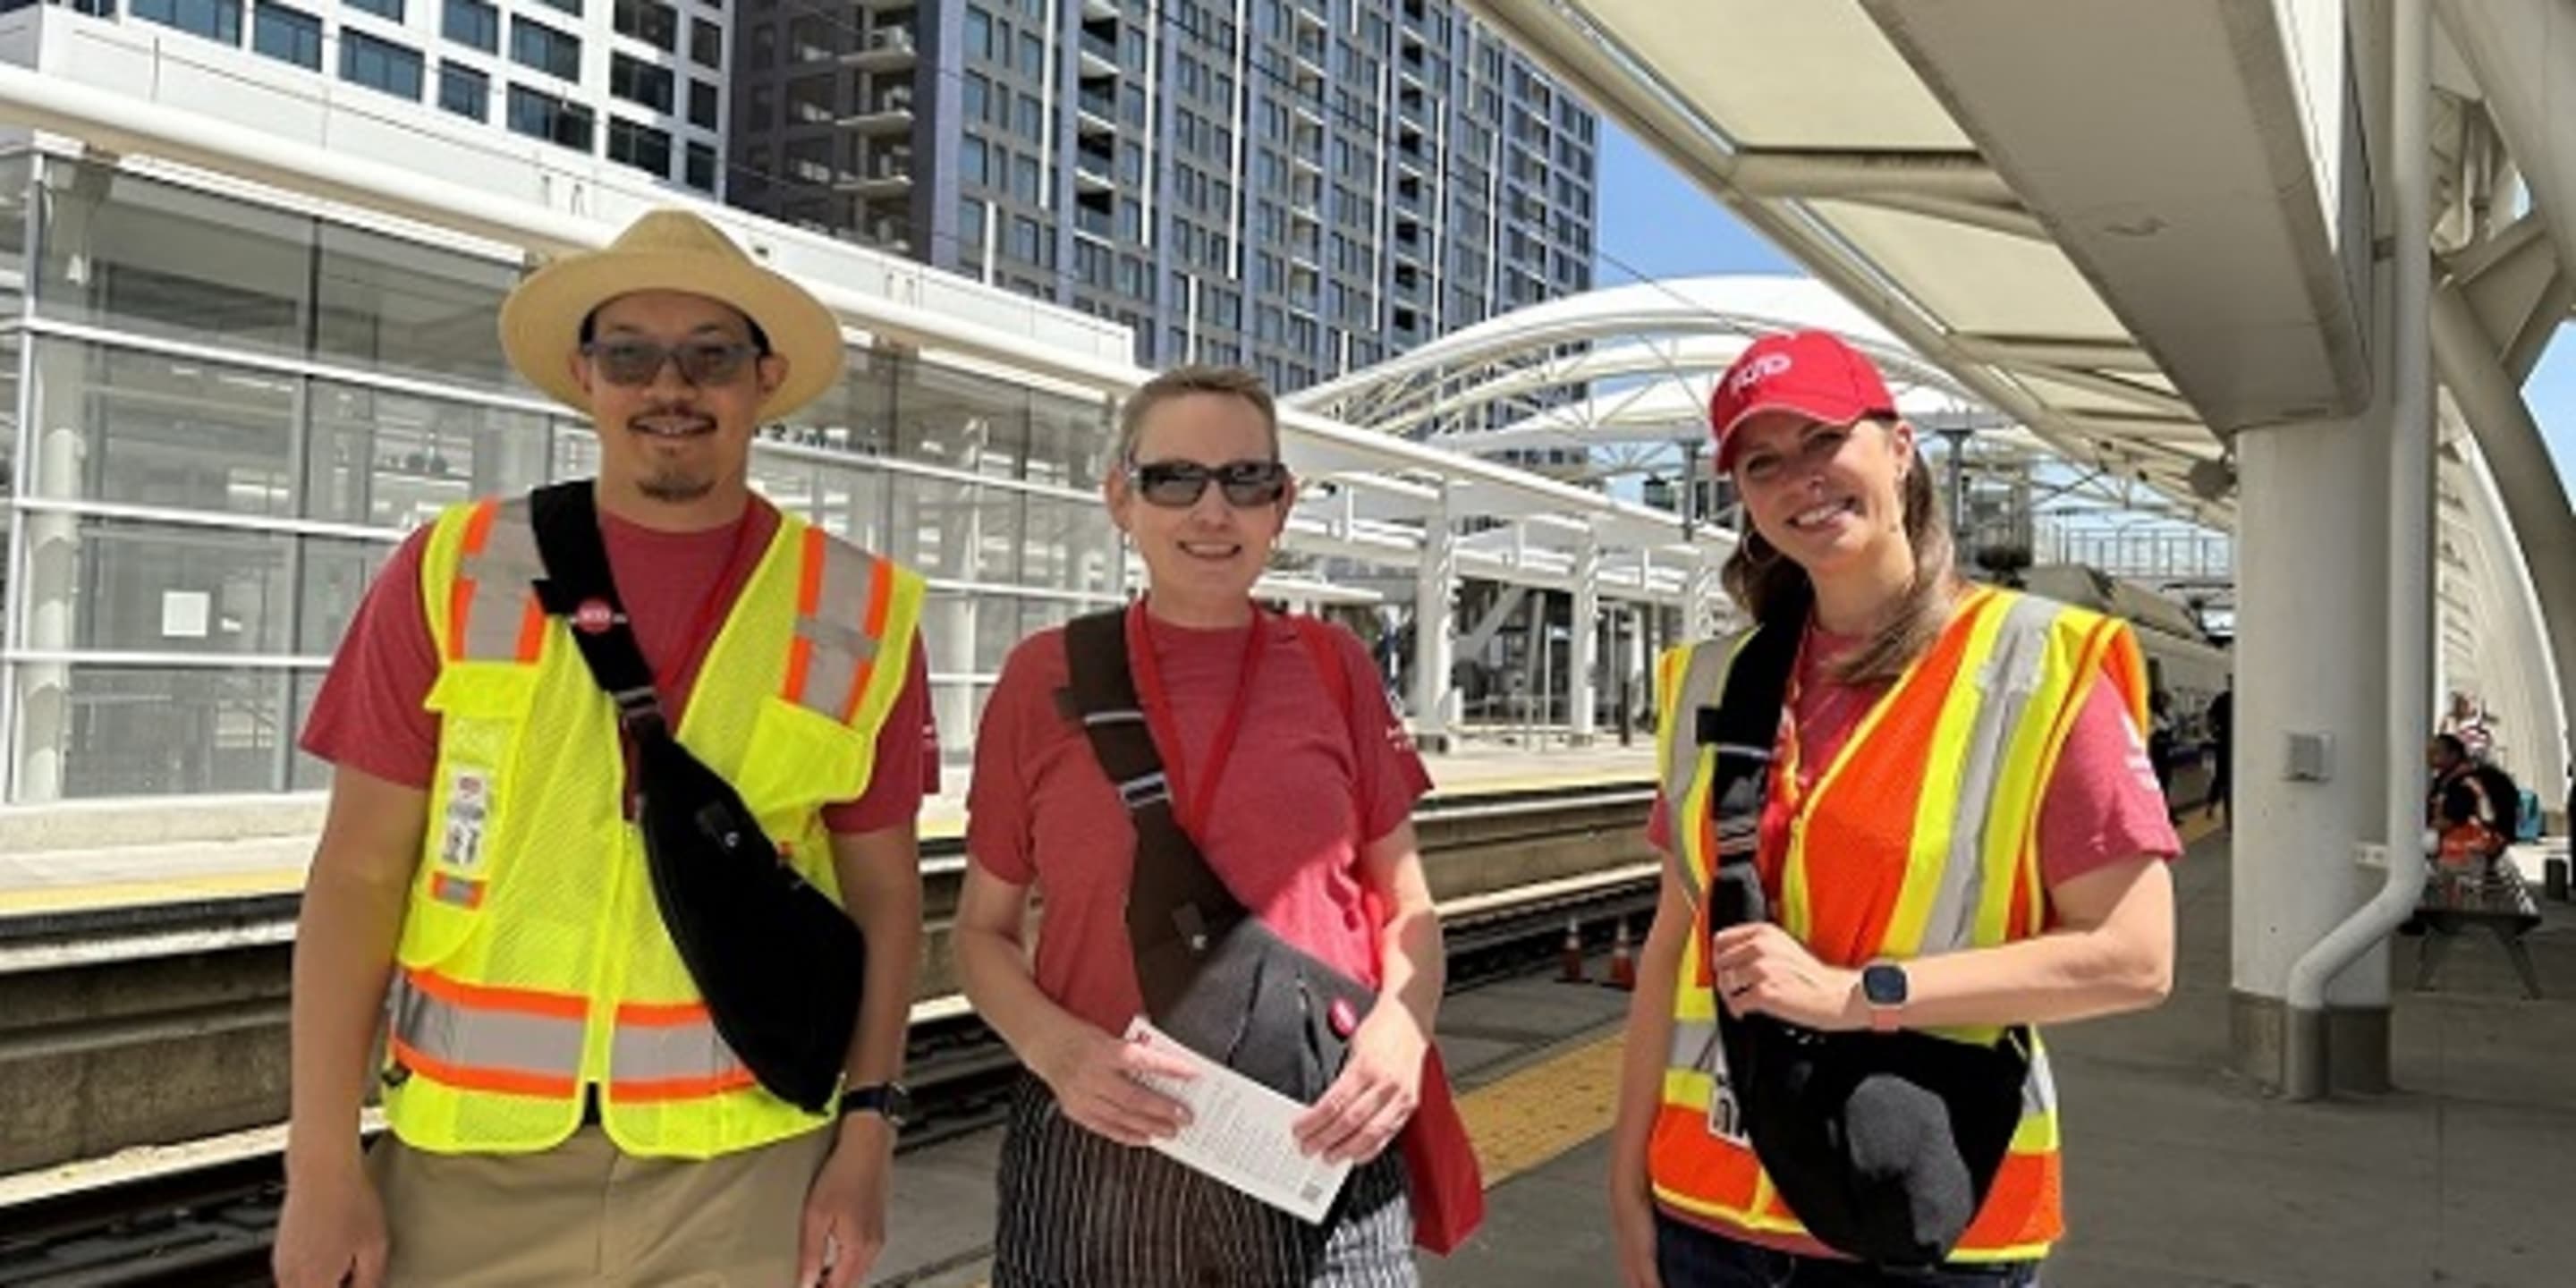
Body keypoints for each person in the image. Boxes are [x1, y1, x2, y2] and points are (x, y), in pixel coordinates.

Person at [274, 209, 935, 1288]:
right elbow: (356, 872)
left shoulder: (861, 609)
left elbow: (887, 898)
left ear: (763, 379)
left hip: (748, 1162)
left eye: (710, 356)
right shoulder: (455, 566)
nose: (669, 387)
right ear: (587, 376)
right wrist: (319, 1161)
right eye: (630, 353)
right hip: (465, 1167)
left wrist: (868, 1136)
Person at [1608, 331, 2181, 1287]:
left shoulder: (2036, 667)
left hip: (1932, 1218)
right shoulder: (1713, 683)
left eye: (1825, 439)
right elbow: (1673, 949)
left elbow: (2135, 959)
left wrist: (1856, 997)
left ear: (1900, 449)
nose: (1799, 479)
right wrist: (1628, 1185)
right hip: (1709, 1215)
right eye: (1763, 462)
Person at [951, 365, 1443, 1286]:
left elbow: (1407, 906)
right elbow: (981, 934)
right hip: (1100, 1143)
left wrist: (1402, 1033)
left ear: (1281, 505)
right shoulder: (1041, 677)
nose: (1212, 512)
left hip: (1315, 1132)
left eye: (1245, 481)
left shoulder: (1335, 666)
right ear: (1120, 499)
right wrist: (1055, 1051)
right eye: (1174, 479)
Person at [2203, 683, 2233, 823]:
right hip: (2235, 746)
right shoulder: (2241, 698)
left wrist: (2214, 733)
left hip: (2223, 745)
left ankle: (2212, 805)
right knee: (2229, 783)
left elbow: (2209, 719)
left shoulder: (2221, 698)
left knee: (2221, 779)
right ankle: (2229, 818)